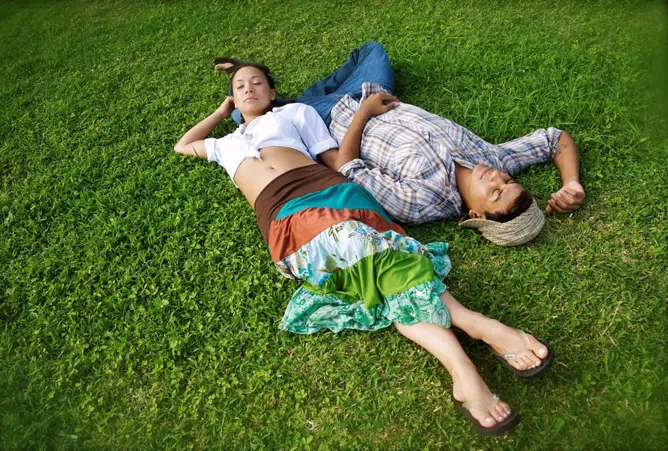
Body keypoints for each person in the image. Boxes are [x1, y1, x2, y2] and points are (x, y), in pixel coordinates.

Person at [174, 62, 554, 435]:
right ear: (233, 100)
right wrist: (222, 111)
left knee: (372, 266)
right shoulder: (222, 144)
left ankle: (463, 370)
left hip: (333, 193)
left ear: (272, 93)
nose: (248, 89)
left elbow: (336, 163)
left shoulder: (294, 113)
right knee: (377, 260)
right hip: (284, 219)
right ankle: (475, 324)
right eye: (239, 87)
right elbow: (183, 145)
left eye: (257, 82)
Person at [215, 42, 585, 246]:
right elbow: (556, 139)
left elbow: (345, 168)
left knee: (251, 115)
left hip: (330, 122)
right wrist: (571, 183)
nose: (496, 178)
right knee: (372, 51)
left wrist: (363, 115)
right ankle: (288, 96)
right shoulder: (492, 158)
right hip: (371, 95)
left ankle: (270, 97)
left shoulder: (422, 201)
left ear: (475, 216)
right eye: (507, 181)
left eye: (495, 192)